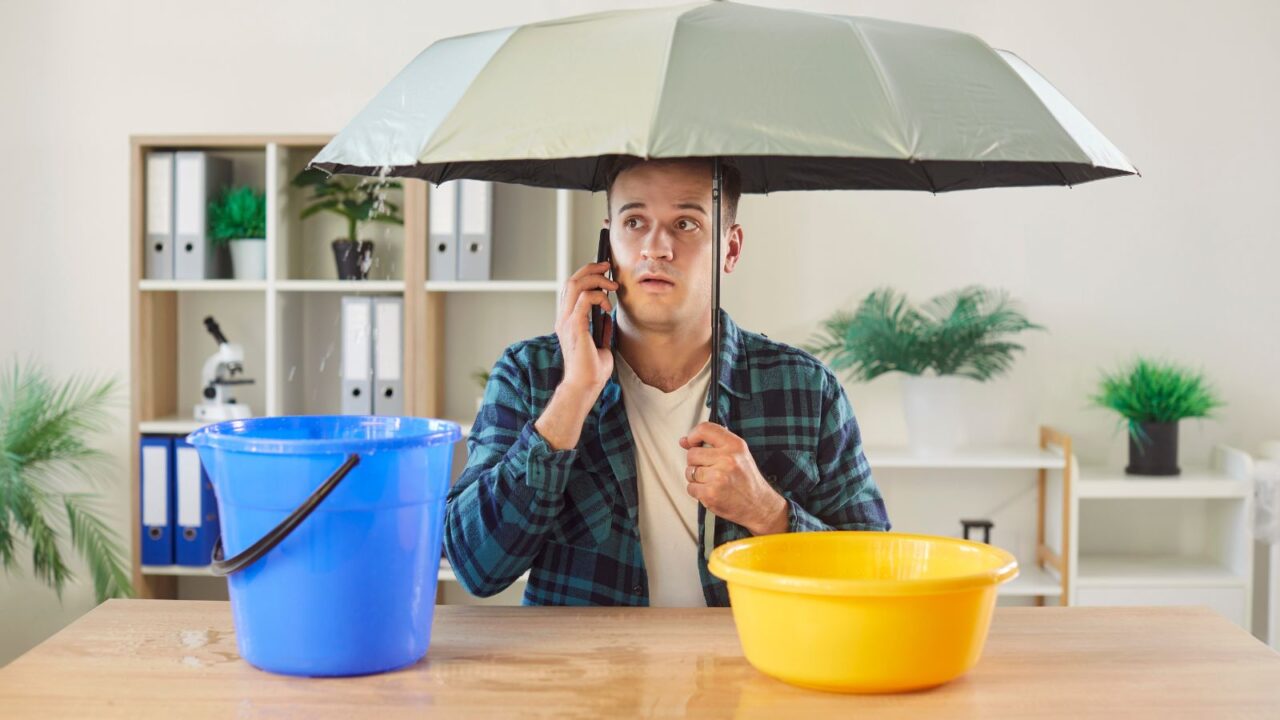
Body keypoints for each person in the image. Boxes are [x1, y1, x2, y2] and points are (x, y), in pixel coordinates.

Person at [444, 157, 889, 606]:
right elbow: (477, 568)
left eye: (686, 223)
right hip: (586, 672)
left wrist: (767, 513)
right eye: (634, 221)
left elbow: (874, 576)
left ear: (730, 249)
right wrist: (573, 398)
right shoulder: (531, 374)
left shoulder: (807, 391)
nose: (656, 248)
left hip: (750, 667)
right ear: (608, 244)